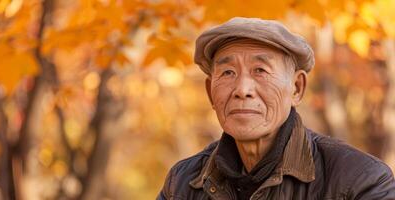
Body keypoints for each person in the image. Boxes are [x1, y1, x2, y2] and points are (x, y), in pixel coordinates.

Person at [157, 17, 395, 200]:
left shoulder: (359, 180)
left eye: (260, 70)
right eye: (228, 72)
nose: (242, 89)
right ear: (210, 91)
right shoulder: (182, 183)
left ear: (297, 88)